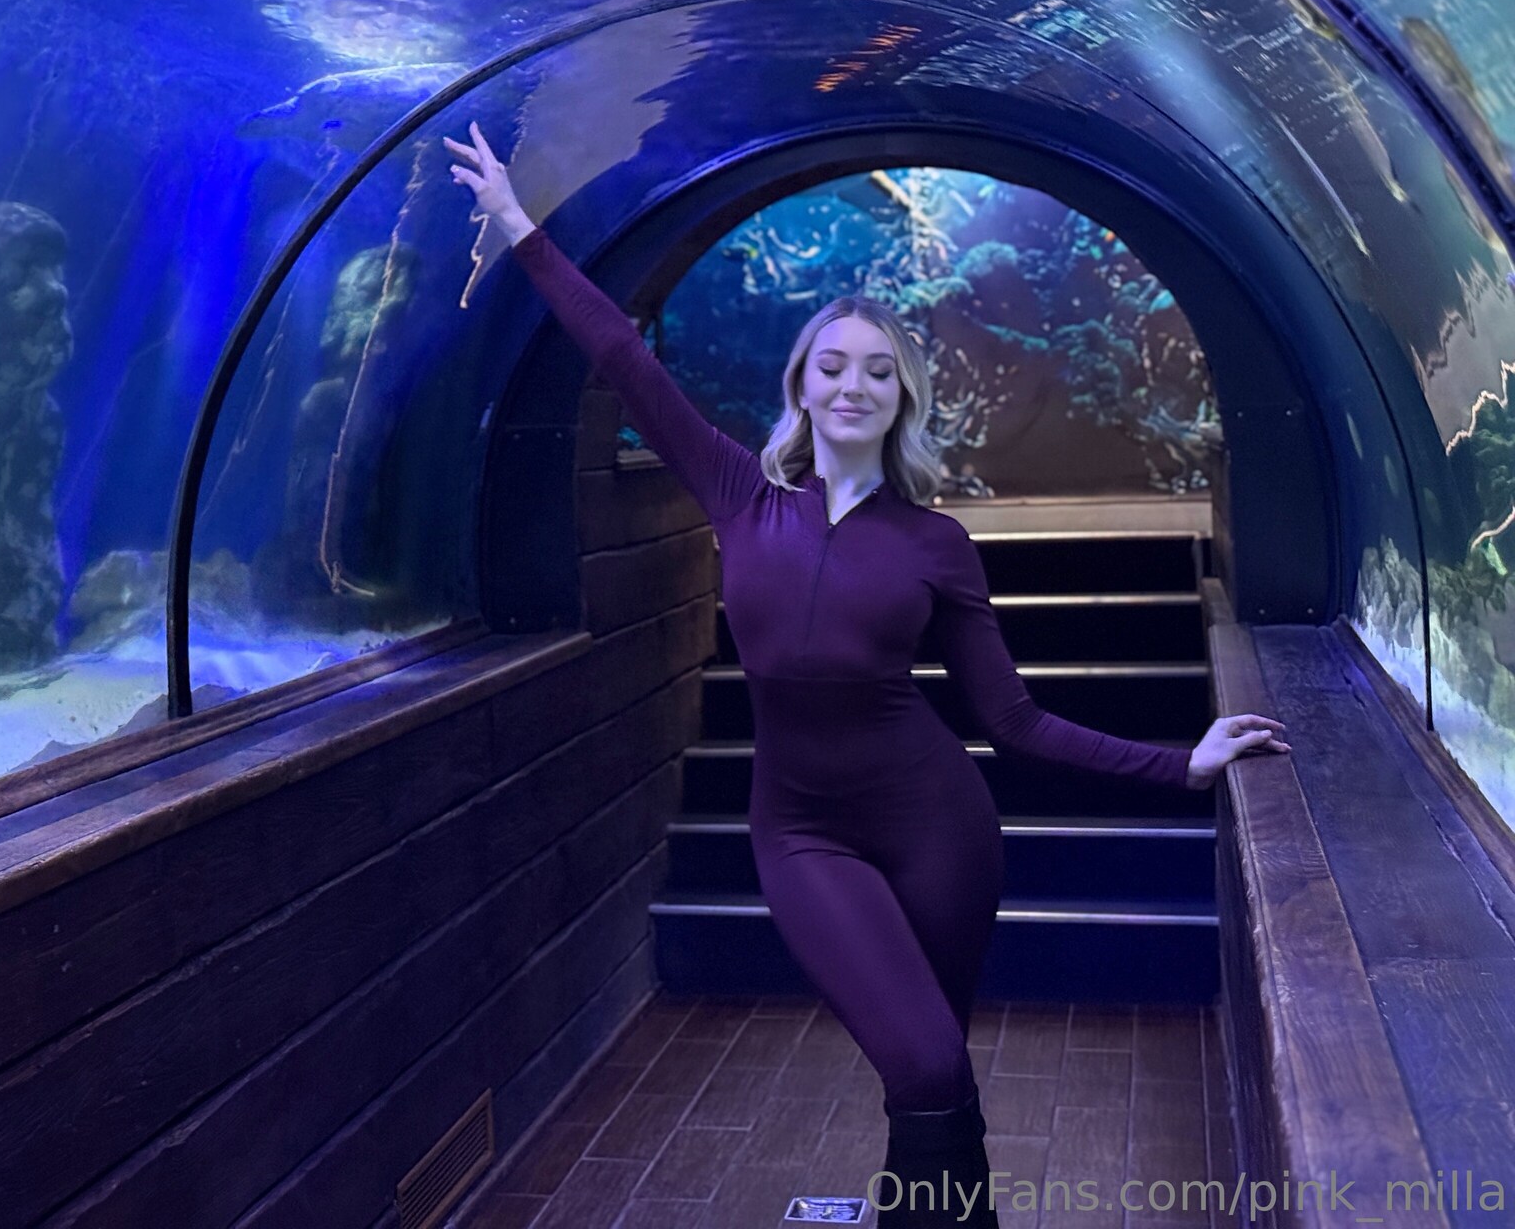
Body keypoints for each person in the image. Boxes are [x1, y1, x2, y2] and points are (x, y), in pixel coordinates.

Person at [446, 123, 1291, 1228]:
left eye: (880, 372)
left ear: (903, 399)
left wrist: (1183, 763)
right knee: (927, 1063)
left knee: (930, 1073)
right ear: (801, 385)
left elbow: (1014, 720)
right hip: (801, 833)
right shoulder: (740, 494)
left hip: (940, 828)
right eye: (834, 366)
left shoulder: (936, 543)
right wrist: (519, 226)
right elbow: (622, 356)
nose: (855, 385)